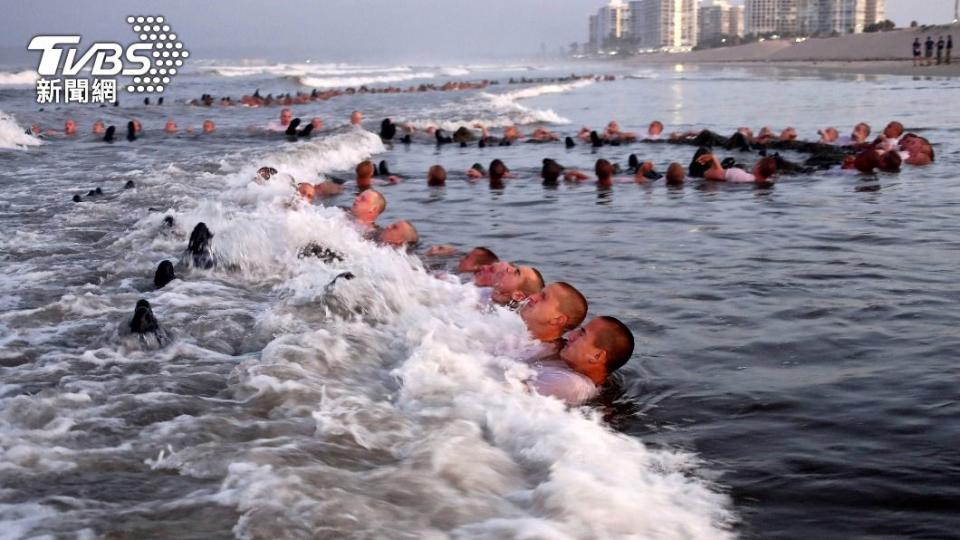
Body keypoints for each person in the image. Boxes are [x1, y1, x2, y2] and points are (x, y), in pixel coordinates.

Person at [529, 316, 635, 405]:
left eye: (581, 334)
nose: (570, 336)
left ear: (597, 356)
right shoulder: (569, 370)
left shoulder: (569, 385)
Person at [519, 282, 588, 345]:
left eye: (543, 297)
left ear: (557, 320)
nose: (531, 297)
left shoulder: (548, 355)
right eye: (539, 293)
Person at [698, 153, 777, 185]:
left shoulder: (741, 176)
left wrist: (713, 157)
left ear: (758, 168)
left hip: (700, 175)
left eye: (756, 163)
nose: (754, 165)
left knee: (703, 151)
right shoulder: (765, 180)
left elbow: (715, 173)